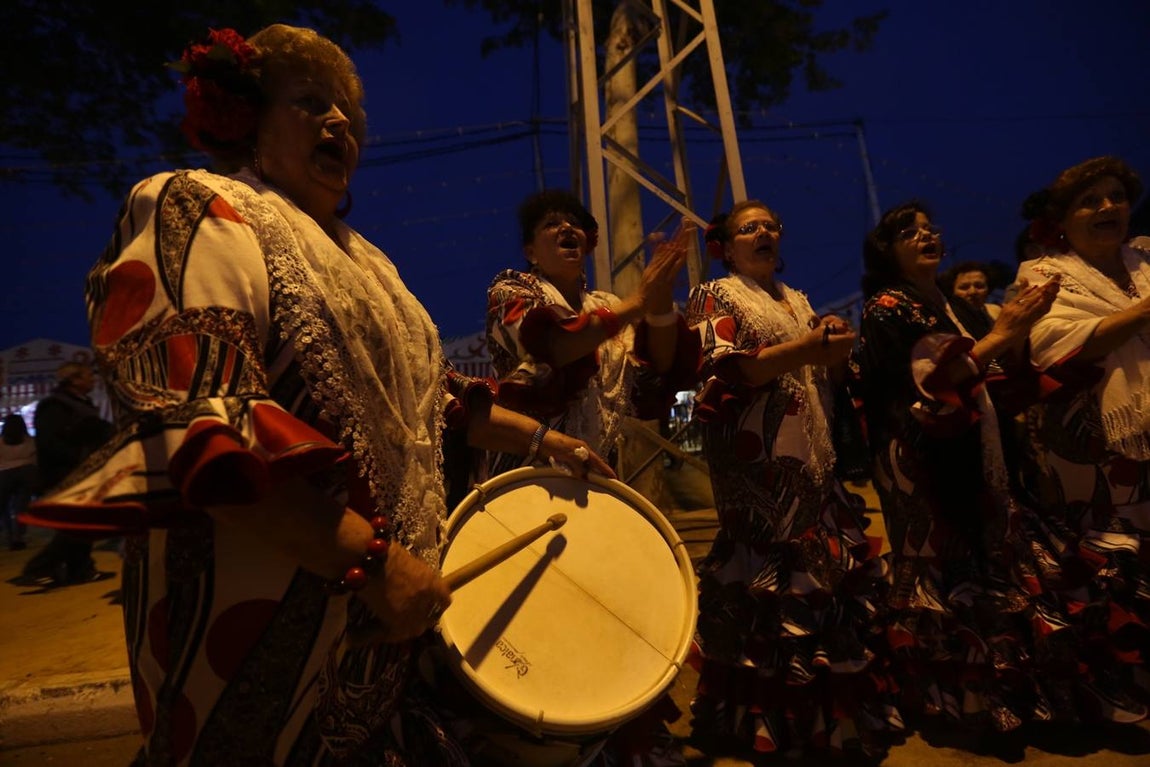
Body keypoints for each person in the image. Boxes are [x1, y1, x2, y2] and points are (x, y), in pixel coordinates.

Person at [24, 24, 612, 767]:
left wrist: (551, 442)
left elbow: (435, 404)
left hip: (381, 643)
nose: (338, 122)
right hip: (263, 628)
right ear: (248, 119)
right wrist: (373, 562)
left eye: (347, 114)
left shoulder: (371, 264)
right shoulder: (200, 206)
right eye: (309, 102)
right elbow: (196, 424)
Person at [857, 199, 1148, 731]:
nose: (926, 236)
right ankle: (961, 704)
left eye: (930, 228)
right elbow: (929, 388)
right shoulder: (887, 306)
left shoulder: (947, 302)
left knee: (999, 567)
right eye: (910, 232)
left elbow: (990, 376)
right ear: (886, 249)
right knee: (949, 577)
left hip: (980, 450)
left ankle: (1014, 694)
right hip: (923, 464)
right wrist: (1006, 331)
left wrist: (1031, 349)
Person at [683, 200, 902, 759]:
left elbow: (825, 377)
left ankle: (821, 723)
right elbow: (730, 369)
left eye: (771, 225)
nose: (764, 233)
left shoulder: (796, 299)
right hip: (757, 471)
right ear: (727, 247)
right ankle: (761, 725)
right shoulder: (715, 295)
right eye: (749, 228)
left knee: (821, 585)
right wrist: (805, 347)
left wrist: (830, 345)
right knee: (766, 589)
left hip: (812, 461)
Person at [1013, 156, 1150, 696]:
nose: (1107, 207)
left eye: (1116, 196)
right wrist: (1142, 314)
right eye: (1090, 201)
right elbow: (1052, 347)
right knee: (1110, 566)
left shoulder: (1146, 259)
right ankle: (1118, 688)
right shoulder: (1044, 274)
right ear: (1062, 220)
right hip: (1094, 447)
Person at [485, 189, 700, 475]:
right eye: (551, 224)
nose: (566, 227)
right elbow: (554, 347)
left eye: (574, 223)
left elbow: (652, 374)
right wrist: (639, 302)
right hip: (528, 474)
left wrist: (660, 298)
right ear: (531, 253)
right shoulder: (510, 292)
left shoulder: (606, 304)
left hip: (596, 473)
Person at [18, 361, 113, 584]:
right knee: (78, 524)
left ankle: (80, 570)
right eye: (88, 376)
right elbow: (49, 444)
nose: (93, 380)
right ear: (74, 380)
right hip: (65, 473)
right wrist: (78, 458)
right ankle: (38, 568)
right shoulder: (54, 406)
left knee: (83, 522)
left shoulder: (81, 403)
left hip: (83, 471)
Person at [0, 412, 37, 550]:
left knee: (3, 506)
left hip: (4, 474)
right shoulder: (30, 440)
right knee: (21, 507)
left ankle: (9, 535)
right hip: (26, 473)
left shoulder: (1, 442)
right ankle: (19, 536)